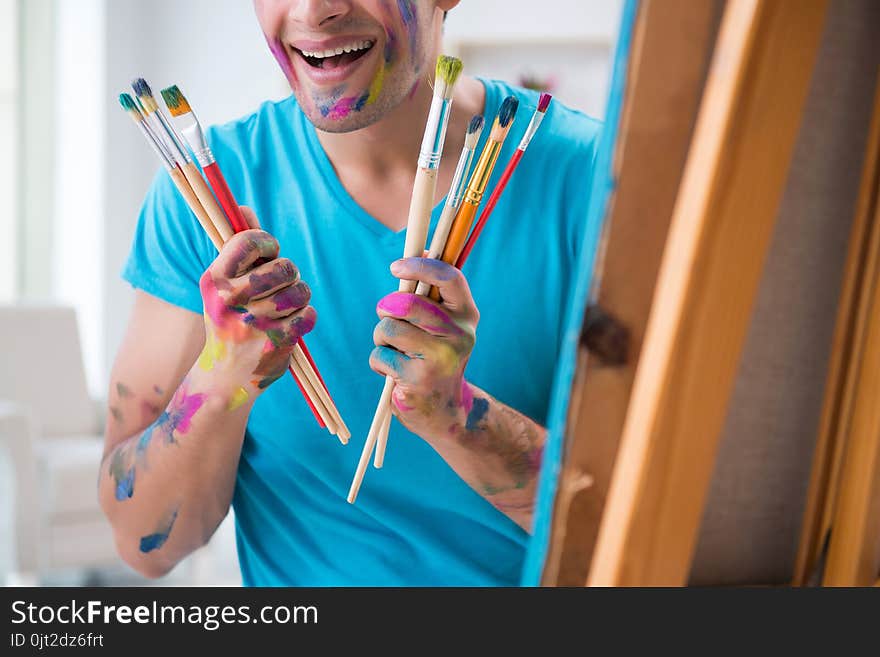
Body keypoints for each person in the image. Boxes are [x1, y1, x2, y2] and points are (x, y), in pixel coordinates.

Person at [99, 0, 600, 586]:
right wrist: (221, 375)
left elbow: (644, 523)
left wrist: (457, 416)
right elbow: (144, 544)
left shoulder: (593, 181)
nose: (315, 10)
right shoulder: (205, 197)